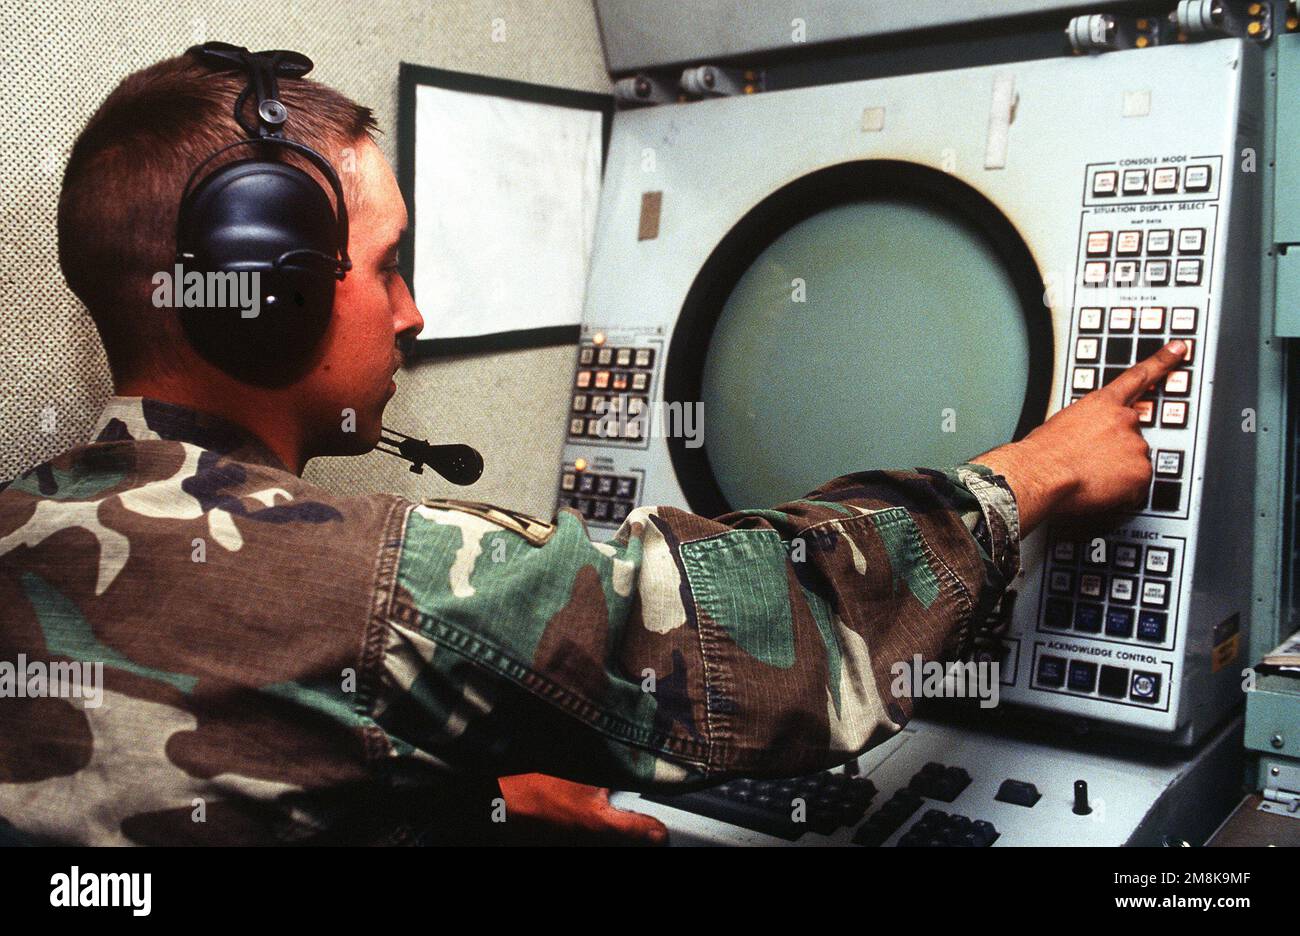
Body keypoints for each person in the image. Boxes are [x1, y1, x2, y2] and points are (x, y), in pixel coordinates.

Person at [0, 50, 1187, 845]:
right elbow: (773, 631)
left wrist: (469, 804)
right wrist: (1031, 472)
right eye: (387, 267)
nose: (412, 316)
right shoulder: (393, 581)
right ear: (265, 299)